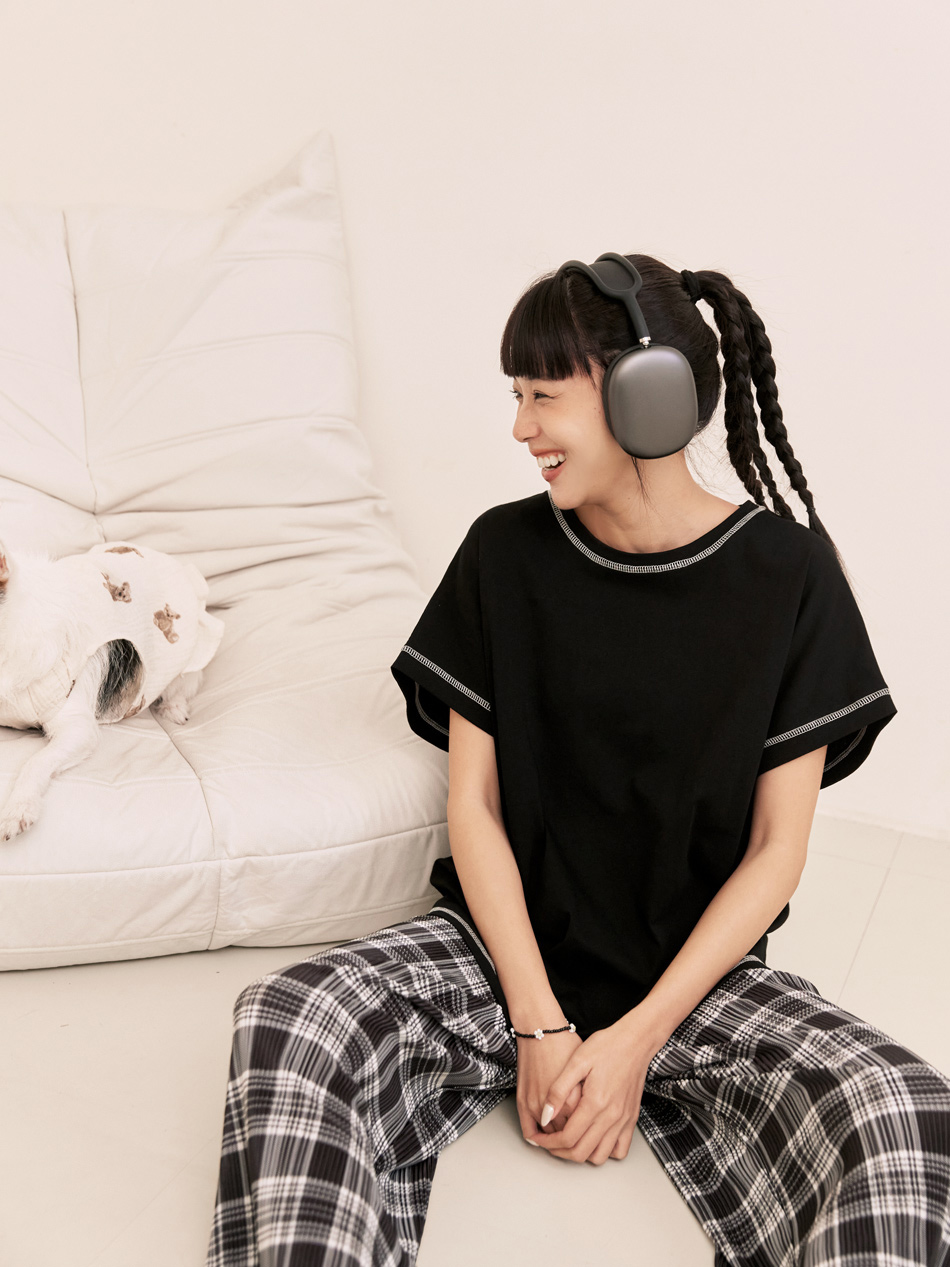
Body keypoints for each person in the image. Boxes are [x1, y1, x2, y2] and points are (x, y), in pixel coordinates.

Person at [205, 254, 950, 1267]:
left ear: (648, 395)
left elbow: (776, 852)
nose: (521, 428)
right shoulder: (502, 555)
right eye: (515, 395)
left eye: (542, 395)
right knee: (291, 1017)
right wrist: (540, 1026)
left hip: (697, 985)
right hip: (496, 957)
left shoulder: (790, 576)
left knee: (901, 1105)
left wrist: (634, 1040)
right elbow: (473, 807)